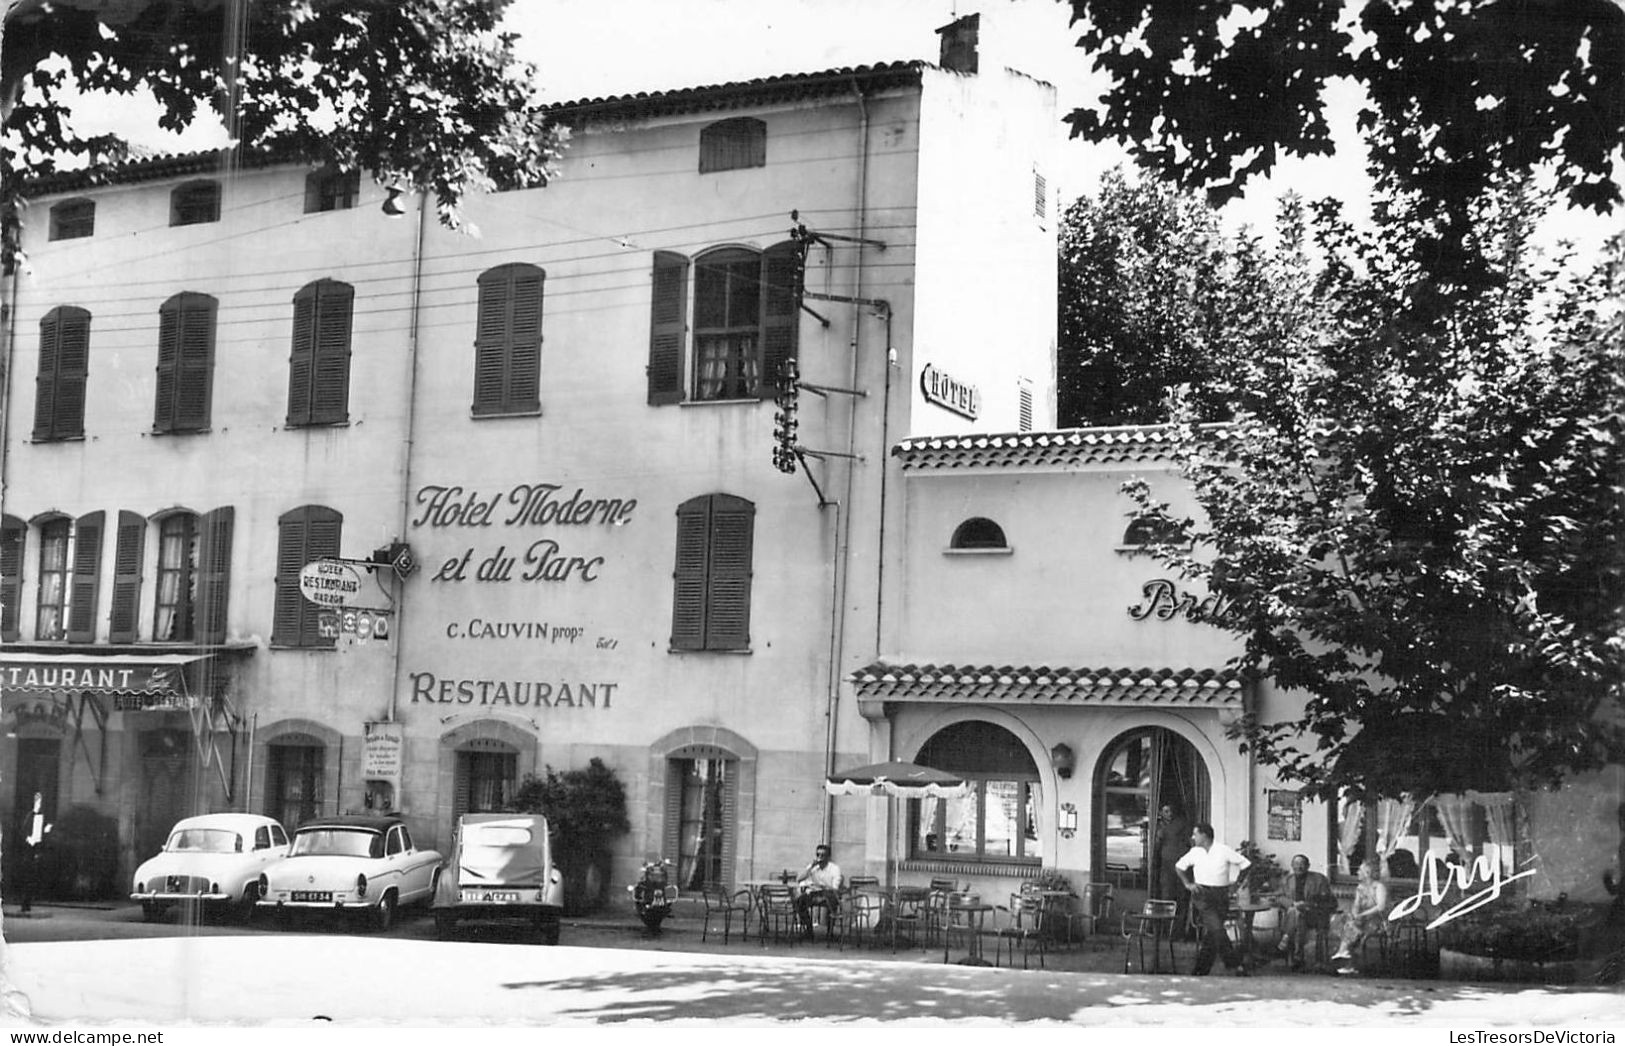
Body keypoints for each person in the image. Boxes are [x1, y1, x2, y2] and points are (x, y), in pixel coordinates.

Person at [1175, 822, 1252, 976]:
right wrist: (1188, 884)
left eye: (1195, 834)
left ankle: (1201, 969)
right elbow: (1179, 867)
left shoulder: (1223, 850)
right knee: (1217, 928)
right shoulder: (1194, 852)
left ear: (1204, 835)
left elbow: (1246, 864)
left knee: (1213, 933)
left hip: (1220, 894)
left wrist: (1236, 885)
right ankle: (1235, 963)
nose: (1193, 837)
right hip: (1202, 894)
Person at [1273, 853, 1337, 969]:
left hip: (1314, 916)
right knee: (1296, 913)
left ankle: (1286, 938)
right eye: (1296, 864)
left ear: (1308, 866)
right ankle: (1298, 957)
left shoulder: (1318, 879)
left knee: (1295, 913)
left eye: (1302, 864)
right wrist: (1293, 904)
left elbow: (1326, 899)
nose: (1299, 867)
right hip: (1298, 917)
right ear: (1292, 866)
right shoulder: (1287, 880)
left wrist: (1306, 904)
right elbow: (1279, 897)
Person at [1330, 857, 1390, 969]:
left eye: (1360, 870)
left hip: (1377, 921)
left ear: (1367, 873)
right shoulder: (1360, 888)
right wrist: (1355, 913)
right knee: (1349, 923)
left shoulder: (1379, 887)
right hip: (1363, 921)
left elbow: (1380, 907)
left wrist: (1362, 915)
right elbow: (1356, 905)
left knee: (1352, 927)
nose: (1357, 872)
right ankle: (1348, 960)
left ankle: (1343, 953)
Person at [1151, 802, 1193, 936]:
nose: (1168, 814)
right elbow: (1157, 849)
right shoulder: (1159, 826)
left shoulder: (1181, 825)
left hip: (1180, 868)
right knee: (1167, 898)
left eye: (1170, 811)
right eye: (1165, 811)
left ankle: (1178, 931)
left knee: (1180, 899)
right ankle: (1166, 930)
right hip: (1166, 868)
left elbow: (1189, 844)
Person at [794, 843, 843, 941]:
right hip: (814, 893)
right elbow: (799, 879)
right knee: (799, 902)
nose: (820, 858)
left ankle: (830, 933)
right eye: (818, 855)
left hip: (829, 893)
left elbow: (835, 888)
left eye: (822, 855)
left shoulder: (834, 869)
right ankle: (809, 930)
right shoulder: (813, 867)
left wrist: (822, 887)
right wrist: (811, 867)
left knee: (832, 903)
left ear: (828, 857)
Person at [16, 792, 52, 915]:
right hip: (30, 848)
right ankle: (25, 904)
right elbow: (24, 831)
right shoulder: (30, 816)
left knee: (33, 877)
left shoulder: (42, 816)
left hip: (38, 848)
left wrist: (47, 830)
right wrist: (29, 839)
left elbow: (45, 832)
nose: (39, 804)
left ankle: (28, 903)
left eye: (40, 802)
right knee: (28, 876)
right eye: (37, 802)